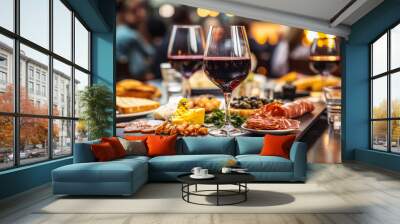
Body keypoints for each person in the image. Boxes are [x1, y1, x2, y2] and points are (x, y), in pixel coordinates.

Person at [116, 0, 155, 81]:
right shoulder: (128, 34)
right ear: (124, 13)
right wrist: (142, 24)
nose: (140, 13)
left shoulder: (120, 31)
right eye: (134, 11)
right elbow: (150, 52)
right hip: (133, 80)